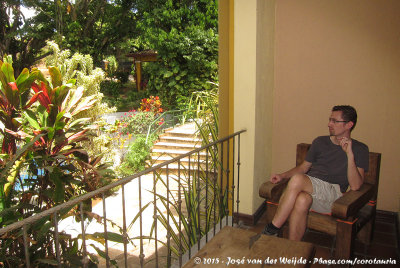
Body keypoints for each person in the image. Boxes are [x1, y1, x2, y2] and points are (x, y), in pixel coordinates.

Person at [263, 105, 369, 241]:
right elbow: (303, 167)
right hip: (312, 191)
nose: (329, 124)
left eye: (335, 121)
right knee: (302, 200)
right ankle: (293, 248)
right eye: (330, 120)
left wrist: (350, 155)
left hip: (333, 197)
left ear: (349, 124)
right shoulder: (320, 142)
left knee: (297, 180)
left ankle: (272, 229)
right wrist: (282, 176)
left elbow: (355, 186)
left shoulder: (360, 149)